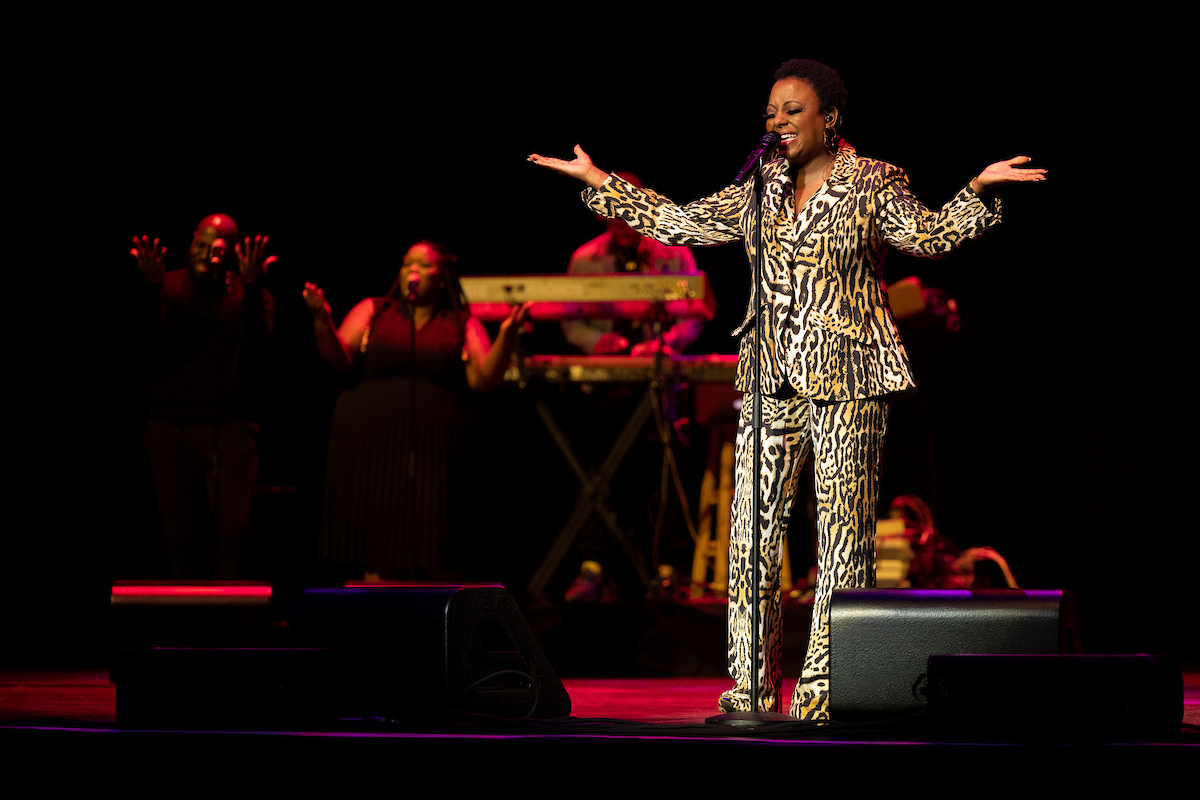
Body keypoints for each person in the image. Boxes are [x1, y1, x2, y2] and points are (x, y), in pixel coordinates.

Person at [530, 58, 1045, 721]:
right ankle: (748, 687)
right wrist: (600, 181)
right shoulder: (758, 187)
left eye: (793, 111)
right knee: (748, 537)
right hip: (770, 378)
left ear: (830, 119)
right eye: (771, 112)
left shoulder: (871, 182)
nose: (778, 122)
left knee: (842, 542)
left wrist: (978, 188)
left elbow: (930, 236)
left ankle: (827, 689)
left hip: (850, 377)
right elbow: (683, 224)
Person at [304, 241, 528, 579]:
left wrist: (506, 338)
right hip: (369, 449)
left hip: (435, 451)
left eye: (424, 265)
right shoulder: (373, 310)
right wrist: (322, 320)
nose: (413, 270)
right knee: (376, 545)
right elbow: (339, 359)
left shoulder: (461, 323)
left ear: (442, 276)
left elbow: (483, 380)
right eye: (408, 262)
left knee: (432, 542)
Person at [131, 213, 276, 579]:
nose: (204, 253)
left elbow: (258, 361)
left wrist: (254, 289)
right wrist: (150, 288)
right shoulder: (168, 285)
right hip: (170, 427)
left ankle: (232, 628)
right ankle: (186, 628)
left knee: (233, 535)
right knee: (180, 540)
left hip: (231, 428)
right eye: (200, 243)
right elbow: (143, 352)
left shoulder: (249, 295)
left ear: (229, 254)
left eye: (216, 247)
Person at [561, 172, 702, 357]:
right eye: (612, 219)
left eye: (626, 219)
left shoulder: (675, 255)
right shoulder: (584, 260)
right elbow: (570, 320)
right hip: (602, 375)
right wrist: (597, 341)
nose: (620, 226)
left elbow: (694, 317)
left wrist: (664, 344)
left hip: (661, 370)